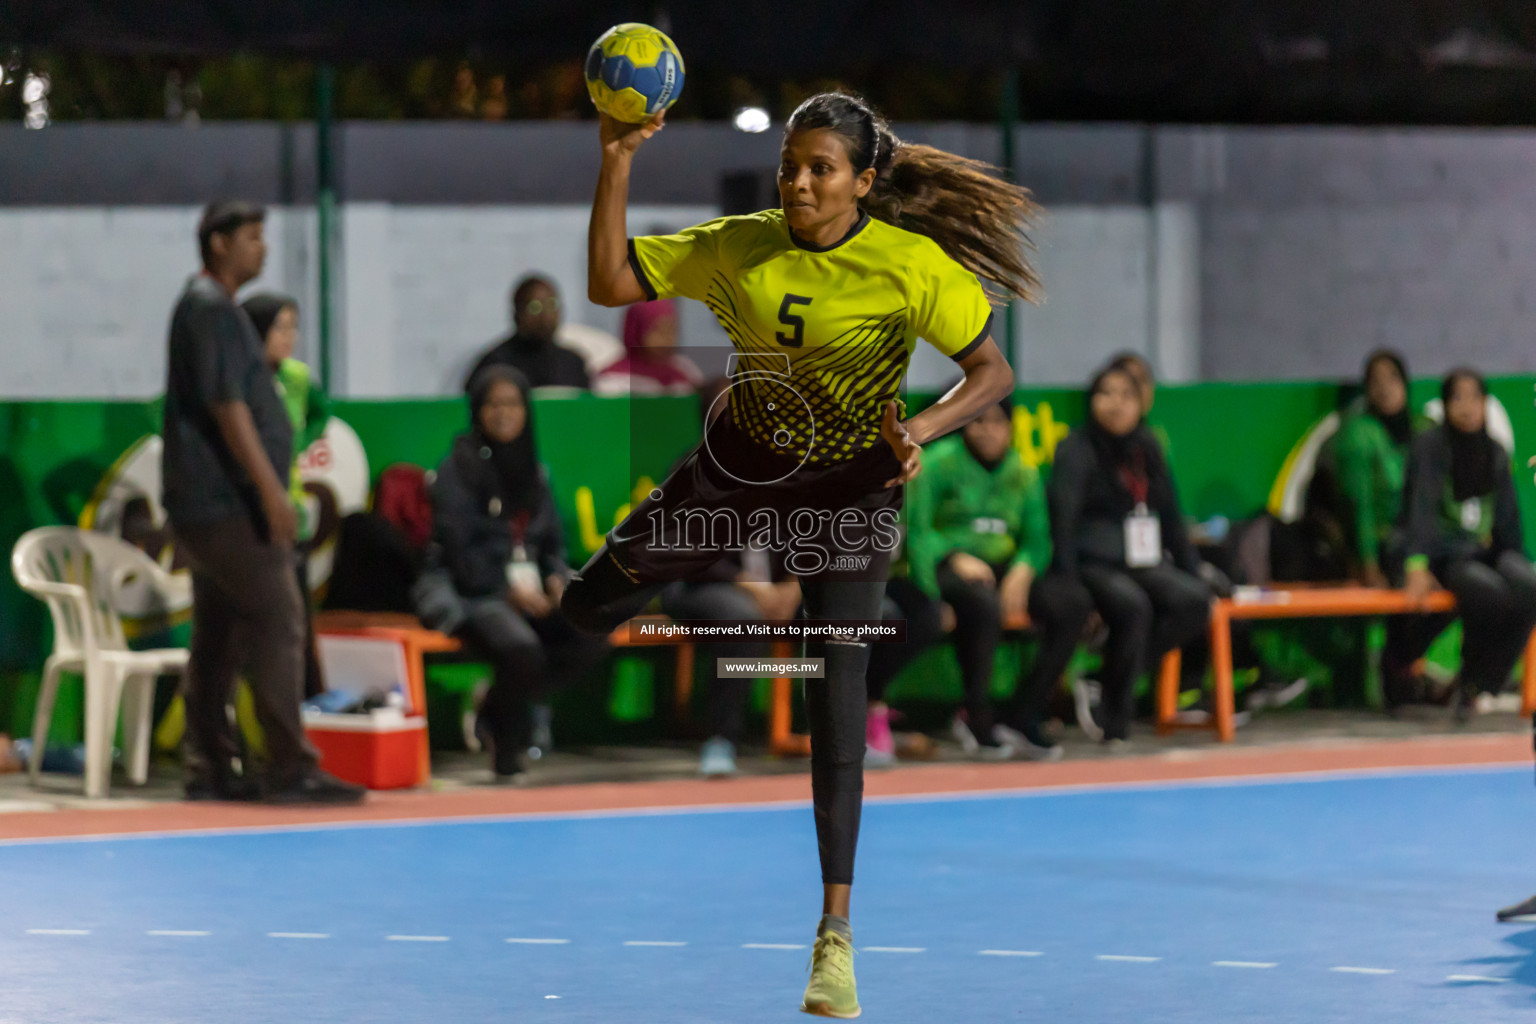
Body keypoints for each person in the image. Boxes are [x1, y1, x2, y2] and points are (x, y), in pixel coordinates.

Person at [565, 91, 1033, 1017]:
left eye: (821, 168)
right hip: (735, 473)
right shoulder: (741, 242)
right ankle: (732, 641)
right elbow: (613, 283)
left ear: (863, 181)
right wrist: (617, 157)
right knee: (582, 607)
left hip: (851, 491)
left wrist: (924, 428)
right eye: (791, 165)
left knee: (837, 694)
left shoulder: (909, 265)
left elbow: (993, 372)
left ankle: (834, 939)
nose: (801, 183)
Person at [162, 200, 363, 805]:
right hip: (225, 502)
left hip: (211, 502)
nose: (264, 248)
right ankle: (288, 768)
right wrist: (273, 494)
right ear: (219, 244)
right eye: (252, 237)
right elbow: (230, 409)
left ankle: (212, 765)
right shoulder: (210, 309)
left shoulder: (206, 309)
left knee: (218, 633)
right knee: (279, 619)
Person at [415, 366, 607, 782]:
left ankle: (493, 706)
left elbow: (553, 545)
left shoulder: (536, 475)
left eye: (513, 405)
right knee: (521, 649)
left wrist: (557, 580)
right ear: (478, 412)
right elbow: (460, 555)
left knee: (591, 631)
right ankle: (507, 748)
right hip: (473, 593)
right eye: (493, 405)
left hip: (532, 591)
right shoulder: (455, 472)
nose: (504, 414)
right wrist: (507, 591)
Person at [1047, 364, 1211, 745]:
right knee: (1134, 607)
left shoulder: (1146, 446)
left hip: (1140, 559)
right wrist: (1067, 579)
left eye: (1126, 396)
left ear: (1140, 403)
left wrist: (1192, 569)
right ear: (1092, 400)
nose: (1116, 404)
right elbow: (1064, 520)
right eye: (1106, 394)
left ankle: (1106, 679)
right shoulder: (1077, 448)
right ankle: (1114, 719)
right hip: (1091, 560)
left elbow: (1169, 511)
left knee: (1195, 601)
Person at [901, 393, 1066, 760]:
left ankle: (1024, 712)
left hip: (1006, 566)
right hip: (951, 566)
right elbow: (917, 529)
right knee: (982, 602)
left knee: (1071, 605)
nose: (988, 431)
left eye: (997, 423)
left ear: (1010, 428)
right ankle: (977, 716)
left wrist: (1024, 570)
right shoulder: (938, 463)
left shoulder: (1023, 472)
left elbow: (1038, 538)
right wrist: (950, 558)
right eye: (978, 422)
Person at [657, 378, 801, 777]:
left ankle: (843, 726)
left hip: (775, 588)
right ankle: (721, 738)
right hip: (699, 587)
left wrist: (792, 585)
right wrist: (751, 587)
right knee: (742, 620)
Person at [1393, 368, 1536, 721]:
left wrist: (1517, 560)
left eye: (1475, 397)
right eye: (1458, 397)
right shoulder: (1430, 446)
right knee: (1486, 592)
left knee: (1529, 587)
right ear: (1444, 404)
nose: (1467, 407)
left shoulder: (1495, 451)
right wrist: (1417, 563)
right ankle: (1469, 684)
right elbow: (1421, 509)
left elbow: (1508, 521)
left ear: (1486, 403)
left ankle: (1480, 683)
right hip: (1446, 554)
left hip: (1487, 551)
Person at [243, 293, 328, 699]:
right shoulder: (236, 379)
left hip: (289, 508)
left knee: (297, 617)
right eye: (280, 327)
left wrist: (299, 443)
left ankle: (306, 708)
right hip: (244, 514)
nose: (289, 336)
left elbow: (319, 412)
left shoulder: (296, 377)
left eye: (294, 326)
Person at [464, 276, 590, 391]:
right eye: (534, 307)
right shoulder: (494, 365)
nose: (545, 315)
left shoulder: (573, 363)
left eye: (551, 304)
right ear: (516, 314)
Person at [592, 298, 704, 396]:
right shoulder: (614, 379)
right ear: (637, 331)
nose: (668, 339)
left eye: (672, 330)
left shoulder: (686, 370)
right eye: (658, 331)